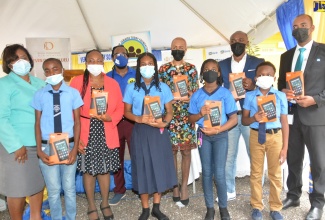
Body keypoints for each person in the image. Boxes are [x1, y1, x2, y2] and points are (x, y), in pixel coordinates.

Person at [278, 14, 325, 220]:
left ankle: (317, 203)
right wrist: (284, 91)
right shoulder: (286, 56)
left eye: (303, 25)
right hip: (291, 116)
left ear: (312, 27)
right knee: (293, 158)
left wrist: (315, 99)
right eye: (295, 26)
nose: (299, 29)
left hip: (315, 116)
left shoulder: (323, 51)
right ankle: (294, 194)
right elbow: (281, 83)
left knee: (319, 162)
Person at [70, 49, 124, 220]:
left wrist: (111, 118)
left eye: (98, 60)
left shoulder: (112, 83)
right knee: (88, 171)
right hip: (86, 129)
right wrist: (76, 137)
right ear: (86, 62)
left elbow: (120, 108)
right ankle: (92, 205)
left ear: (103, 62)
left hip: (106, 129)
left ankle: (105, 202)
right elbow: (71, 111)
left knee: (105, 170)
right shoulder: (77, 82)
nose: (95, 63)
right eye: (91, 60)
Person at [123, 52, 177, 220]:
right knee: (143, 167)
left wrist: (165, 122)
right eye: (143, 64)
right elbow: (126, 112)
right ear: (139, 68)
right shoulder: (132, 87)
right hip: (140, 131)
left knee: (158, 167)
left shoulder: (163, 87)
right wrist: (138, 118)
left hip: (158, 131)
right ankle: (145, 208)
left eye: (150, 64)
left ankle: (156, 207)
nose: (147, 67)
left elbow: (170, 111)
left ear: (155, 67)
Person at [31, 58, 83, 220]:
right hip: (47, 147)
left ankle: (71, 217)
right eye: (47, 70)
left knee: (69, 188)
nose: (51, 73)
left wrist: (74, 150)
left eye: (55, 69)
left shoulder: (73, 93)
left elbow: (77, 122)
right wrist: (39, 149)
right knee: (53, 190)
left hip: (68, 145)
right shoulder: (39, 94)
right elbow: (37, 123)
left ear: (62, 70)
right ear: (44, 73)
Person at [0, 44, 45, 220]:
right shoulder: (4, 84)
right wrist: (16, 145)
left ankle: (36, 216)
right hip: (17, 145)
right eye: (15, 59)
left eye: (23, 57)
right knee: (16, 188)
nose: (21, 62)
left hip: (40, 144)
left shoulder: (40, 83)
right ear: (8, 64)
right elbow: (1, 118)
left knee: (36, 184)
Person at [188, 59, 237, 220]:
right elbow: (191, 119)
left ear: (218, 73)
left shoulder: (225, 94)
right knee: (207, 173)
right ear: (202, 73)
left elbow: (233, 119)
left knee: (220, 174)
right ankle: (210, 208)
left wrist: (218, 129)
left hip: (220, 136)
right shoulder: (197, 95)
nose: (210, 71)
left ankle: (223, 207)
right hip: (203, 136)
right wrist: (201, 113)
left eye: (213, 69)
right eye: (206, 69)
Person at [219, 31, 264, 201]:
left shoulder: (258, 63)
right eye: (233, 41)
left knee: (255, 154)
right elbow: (216, 87)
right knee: (228, 155)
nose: (236, 43)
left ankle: (256, 192)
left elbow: (266, 86)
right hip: (230, 116)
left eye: (240, 40)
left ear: (247, 42)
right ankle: (229, 190)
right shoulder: (222, 64)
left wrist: (254, 85)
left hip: (251, 116)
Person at [242, 61, 288, 220]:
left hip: (276, 137)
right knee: (256, 173)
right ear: (255, 78)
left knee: (275, 174)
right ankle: (256, 206)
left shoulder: (281, 96)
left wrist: (285, 148)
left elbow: (284, 122)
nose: (264, 77)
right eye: (261, 75)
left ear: (274, 77)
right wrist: (255, 117)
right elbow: (244, 120)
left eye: (268, 75)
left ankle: (275, 208)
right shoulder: (249, 95)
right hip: (256, 136)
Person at [158, 37, 199, 207]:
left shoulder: (192, 69)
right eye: (175, 47)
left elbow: (196, 93)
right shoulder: (163, 69)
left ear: (186, 49)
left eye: (181, 47)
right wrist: (169, 100)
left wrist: (188, 96)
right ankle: (174, 185)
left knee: (187, 152)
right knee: (172, 152)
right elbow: (159, 92)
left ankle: (184, 187)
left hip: (187, 115)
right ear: (170, 49)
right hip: (170, 116)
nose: (178, 49)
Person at [106, 45, 136, 205]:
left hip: (133, 121)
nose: (120, 56)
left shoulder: (136, 74)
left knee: (137, 155)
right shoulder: (107, 77)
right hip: (114, 122)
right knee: (116, 157)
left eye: (123, 54)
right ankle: (119, 190)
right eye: (117, 54)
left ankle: (140, 187)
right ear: (112, 58)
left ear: (128, 57)